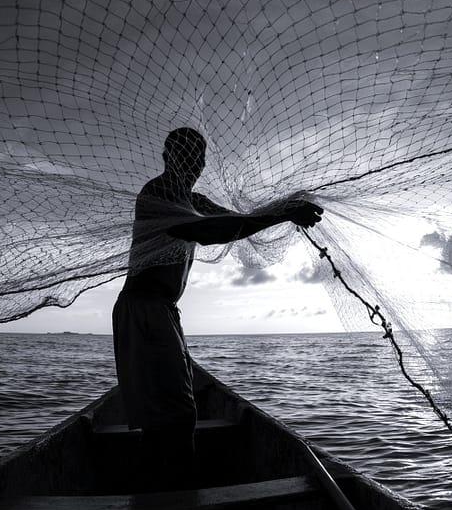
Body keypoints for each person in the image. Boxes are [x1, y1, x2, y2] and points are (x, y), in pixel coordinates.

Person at [112, 127, 323, 490]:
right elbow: (214, 232)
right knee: (177, 415)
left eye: (198, 157)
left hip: (162, 313)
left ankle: (157, 492)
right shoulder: (158, 193)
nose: (193, 164)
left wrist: (286, 210)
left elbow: (238, 223)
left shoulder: (195, 200)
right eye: (185, 155)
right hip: (144, 309)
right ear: (167, 158)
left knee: (167, 416)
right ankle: (176, 500)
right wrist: (284, 213)